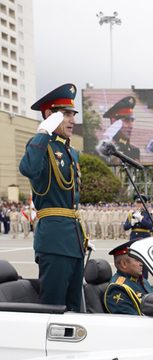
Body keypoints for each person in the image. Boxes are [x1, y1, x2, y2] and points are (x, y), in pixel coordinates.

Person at [19, 83, 87, 311]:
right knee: (53, 309)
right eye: (65, 114)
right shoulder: (40, 145)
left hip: (74, 239)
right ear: (49, 115)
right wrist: (42, 132)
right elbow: (28, 169)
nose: (72, 120)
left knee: (75, 308)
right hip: (55, 241)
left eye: (72, 114)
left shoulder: (71, 152)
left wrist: (81, 237)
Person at [104, 240, 153, 315]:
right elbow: (132, 321)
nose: (141, 263)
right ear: (124, 264)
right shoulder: (118, 288)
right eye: (137, 260)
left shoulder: (140, 280)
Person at [101, 95, 140, 161]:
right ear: (114, 121)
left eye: (132, 120)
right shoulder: (104, 151)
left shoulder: (134, 151)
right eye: (126, 120)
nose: (131, 126)